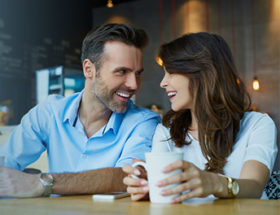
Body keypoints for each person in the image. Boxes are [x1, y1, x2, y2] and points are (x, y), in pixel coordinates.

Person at [0, 23, 160, 198]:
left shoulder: (144, 122)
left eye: (138, 73)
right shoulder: (50, 111)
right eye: (121, 71)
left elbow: (128, 176)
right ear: (89, 69)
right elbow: (7, 161)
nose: (134, 85)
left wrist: (42, 182)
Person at [122, 32, 278, 202]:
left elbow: (254, 187)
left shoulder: (258, 125)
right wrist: (148, 188)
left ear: (203, 73)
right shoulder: (165, 132)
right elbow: (167, 195)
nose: (163, 83)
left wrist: (215, 183)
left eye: (171, 72)